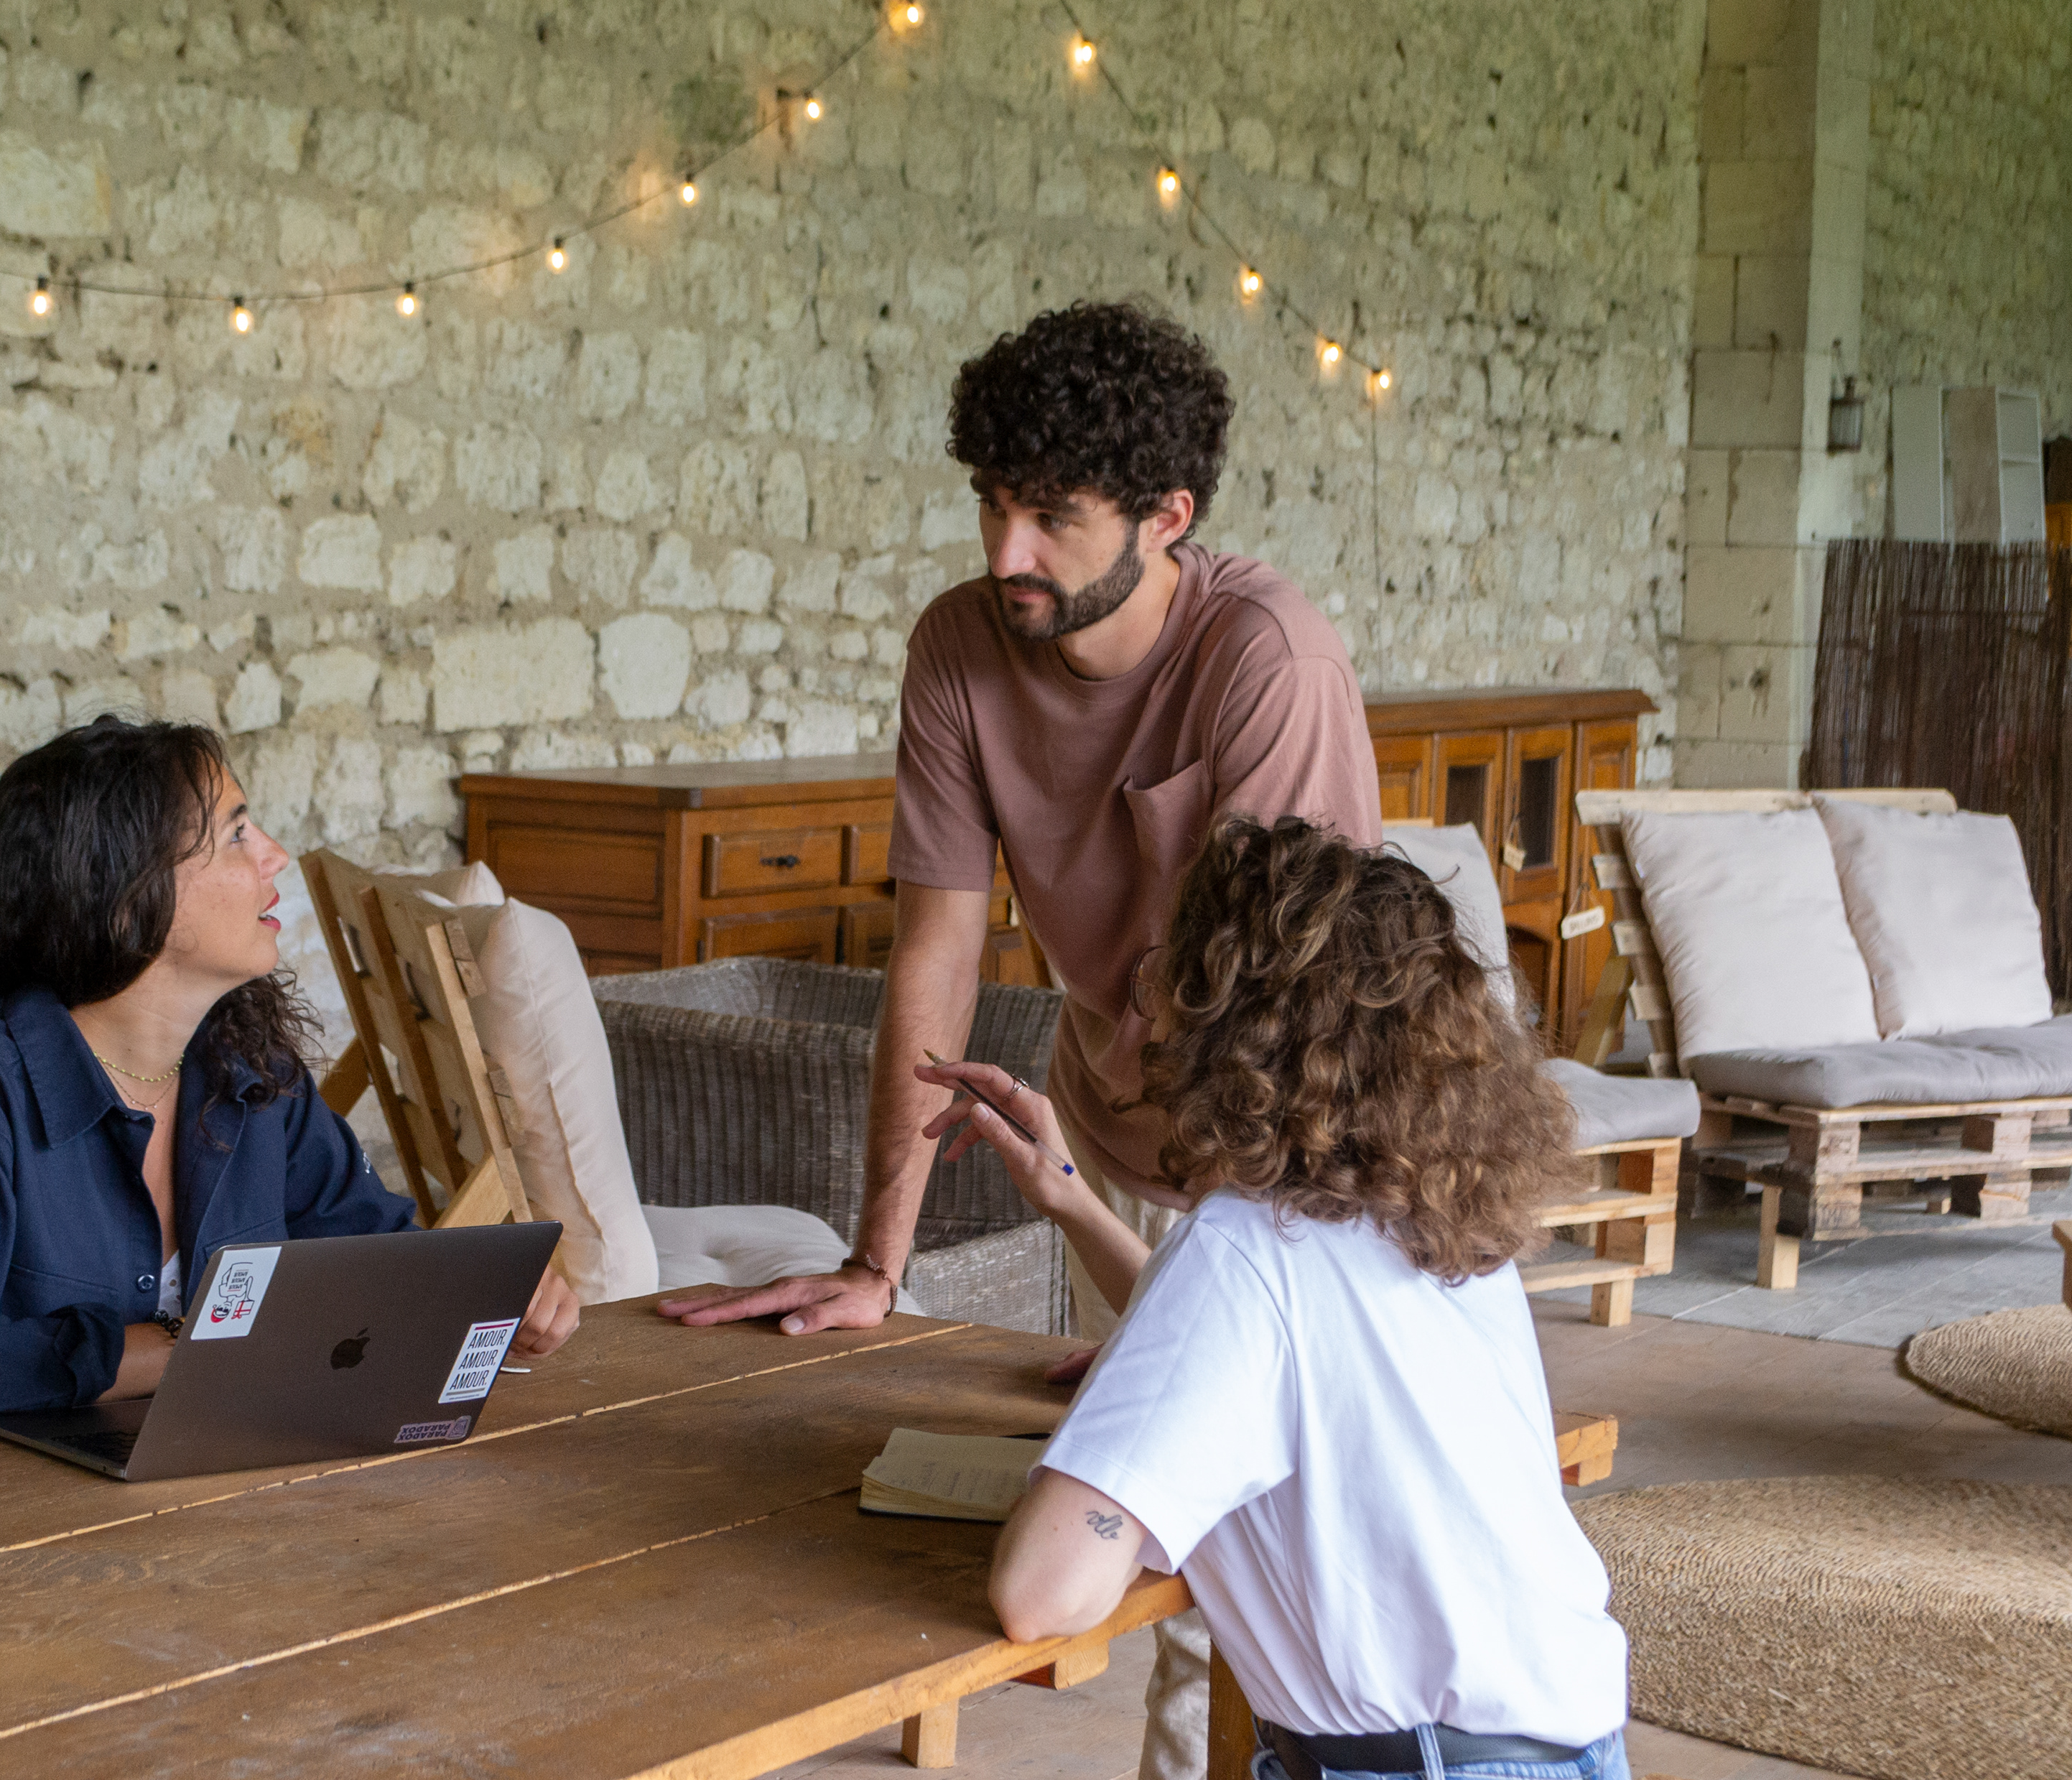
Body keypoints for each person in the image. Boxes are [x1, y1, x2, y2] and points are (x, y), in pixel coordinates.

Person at [661, 297, 1383, 1777]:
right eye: (993, 503)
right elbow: (935, 947)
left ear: (1167, 517)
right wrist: (880, 1260)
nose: (1006, 552)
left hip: (1273, 1153)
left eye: (1053, 516)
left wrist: (1189, 1306)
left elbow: (1293, 1017)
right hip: (1102, 1128)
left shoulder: (1269, 665)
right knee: (1127, 1549)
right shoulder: (958, 645)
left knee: (1235, 1590)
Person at [933, 817, 1630, 1780]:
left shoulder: (1245, 1247)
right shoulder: (1430, 1209)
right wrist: (1073, 1202)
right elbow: (1271, 1349)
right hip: (1559, 1750)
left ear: (1225, 1024)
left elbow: (1042, 1594)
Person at [0, 718, 581, 1465]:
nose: (275, 856)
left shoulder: (250, 1071)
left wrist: (486, 1297)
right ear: (126, 898)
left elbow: (374, 1252)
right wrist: (180, 1347)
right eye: (236, 834)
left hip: (125, 1499)